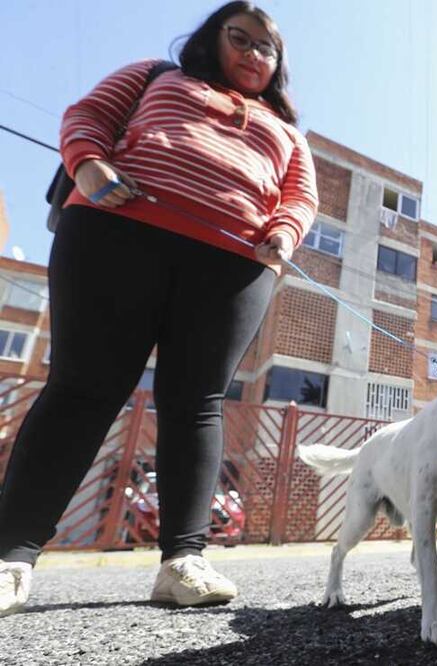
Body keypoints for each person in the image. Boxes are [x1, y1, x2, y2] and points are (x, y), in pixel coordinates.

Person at [0, 1, 316, 616]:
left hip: (233, 262)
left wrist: (285, 232)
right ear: (210, 38)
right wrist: (88, 166)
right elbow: (88, 115)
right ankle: (10, 555)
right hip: (119, 234)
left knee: (197, 403)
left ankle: (181, 562)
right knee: (83, 388)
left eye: (267, 49)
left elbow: (299, 195)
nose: (255, 55)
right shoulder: (154, 76)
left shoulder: (287, 131)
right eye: (241, 39)